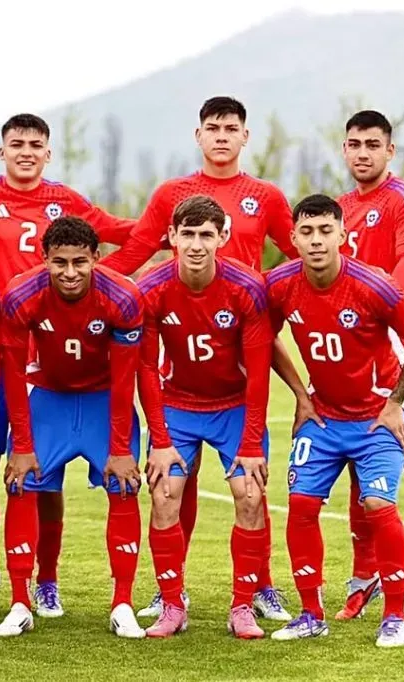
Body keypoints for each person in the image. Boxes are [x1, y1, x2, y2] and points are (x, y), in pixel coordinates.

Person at [0, 113, 136, 616]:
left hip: (50, 363)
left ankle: (46, 578)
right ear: (2, 151)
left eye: (36, 144)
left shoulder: (69, 203)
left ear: (48, 152)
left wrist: (104, 286)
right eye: (17, 144)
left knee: (41, 475)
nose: (26, 152)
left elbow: (118, 234)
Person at [105, 96, 295, 623]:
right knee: (171, 488)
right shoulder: (172, 195)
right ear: (198, 135)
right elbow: (134, 253)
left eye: (231, 128)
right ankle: (173, 595)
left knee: (252, 488)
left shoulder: (265, 196)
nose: (221, 137)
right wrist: (84, 290)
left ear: (244, 136)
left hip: (242, 339)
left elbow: (300, 257)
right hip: (182, 357)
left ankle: (257, 590)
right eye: (212, 128)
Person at [265, 194, 404, 648]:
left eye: (325, 231)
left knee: (379, 506)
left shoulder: (373, 285)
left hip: (373, 422)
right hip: (322, 420)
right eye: (307, 232)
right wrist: (301, 394)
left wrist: (395, 404)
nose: (316, 241)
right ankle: (310, 614)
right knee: (300, 506)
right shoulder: (279, 284)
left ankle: (395, 617)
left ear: (343, 235)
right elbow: (260, 337)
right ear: (294, 238)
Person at [0, 216, 145, 639]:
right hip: (49, 399)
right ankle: (21, 601)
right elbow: (13, 373)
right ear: (45, 260)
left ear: (97, 257)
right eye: (60, 262)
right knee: (21, 483)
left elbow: (125, 377)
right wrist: (21, 443)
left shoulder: (123, 297)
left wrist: (119, 446)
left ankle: (123, 604)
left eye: (81, 261)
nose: (71, 272)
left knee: (125, 485)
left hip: (103, 401)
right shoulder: (22, 295)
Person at [136, 195, 281, 639]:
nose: (196, 245)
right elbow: (146, 367)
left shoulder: (247, 287)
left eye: (205, 235)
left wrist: (253, 443)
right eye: (187, 234)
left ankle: (242, 607)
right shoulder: (151, 287)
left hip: (234, 408)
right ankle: (172, 605)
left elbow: (258, 375)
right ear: (172, 237)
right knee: (164, 496)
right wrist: (159, 439)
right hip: (178, 407)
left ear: (223, 237)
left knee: (251, 496)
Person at [336, 110, 404, 628]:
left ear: (390, 150)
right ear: (344, 149)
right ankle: (366, 578)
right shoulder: (338, 209)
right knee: (362, 463)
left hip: (400, 343)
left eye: (373, 144)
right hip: (352, 347)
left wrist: (374, 301)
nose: (363, 152)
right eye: (355, 143)